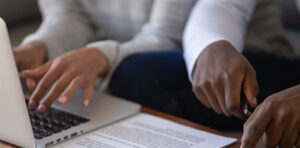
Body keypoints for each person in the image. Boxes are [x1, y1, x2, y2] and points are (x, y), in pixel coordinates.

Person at [108, 0, 300, 148]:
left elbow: (163, 35)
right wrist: (210, 44)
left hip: (281, 66)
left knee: (135, 74)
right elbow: (226, 5)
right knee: (137, 74)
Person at [14, 0, 195, 112]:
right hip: (117, 56)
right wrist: (39, 46)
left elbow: (166, 37)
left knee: (129, 74)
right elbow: (70, 16)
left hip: (178, 60)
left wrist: (101, 56)